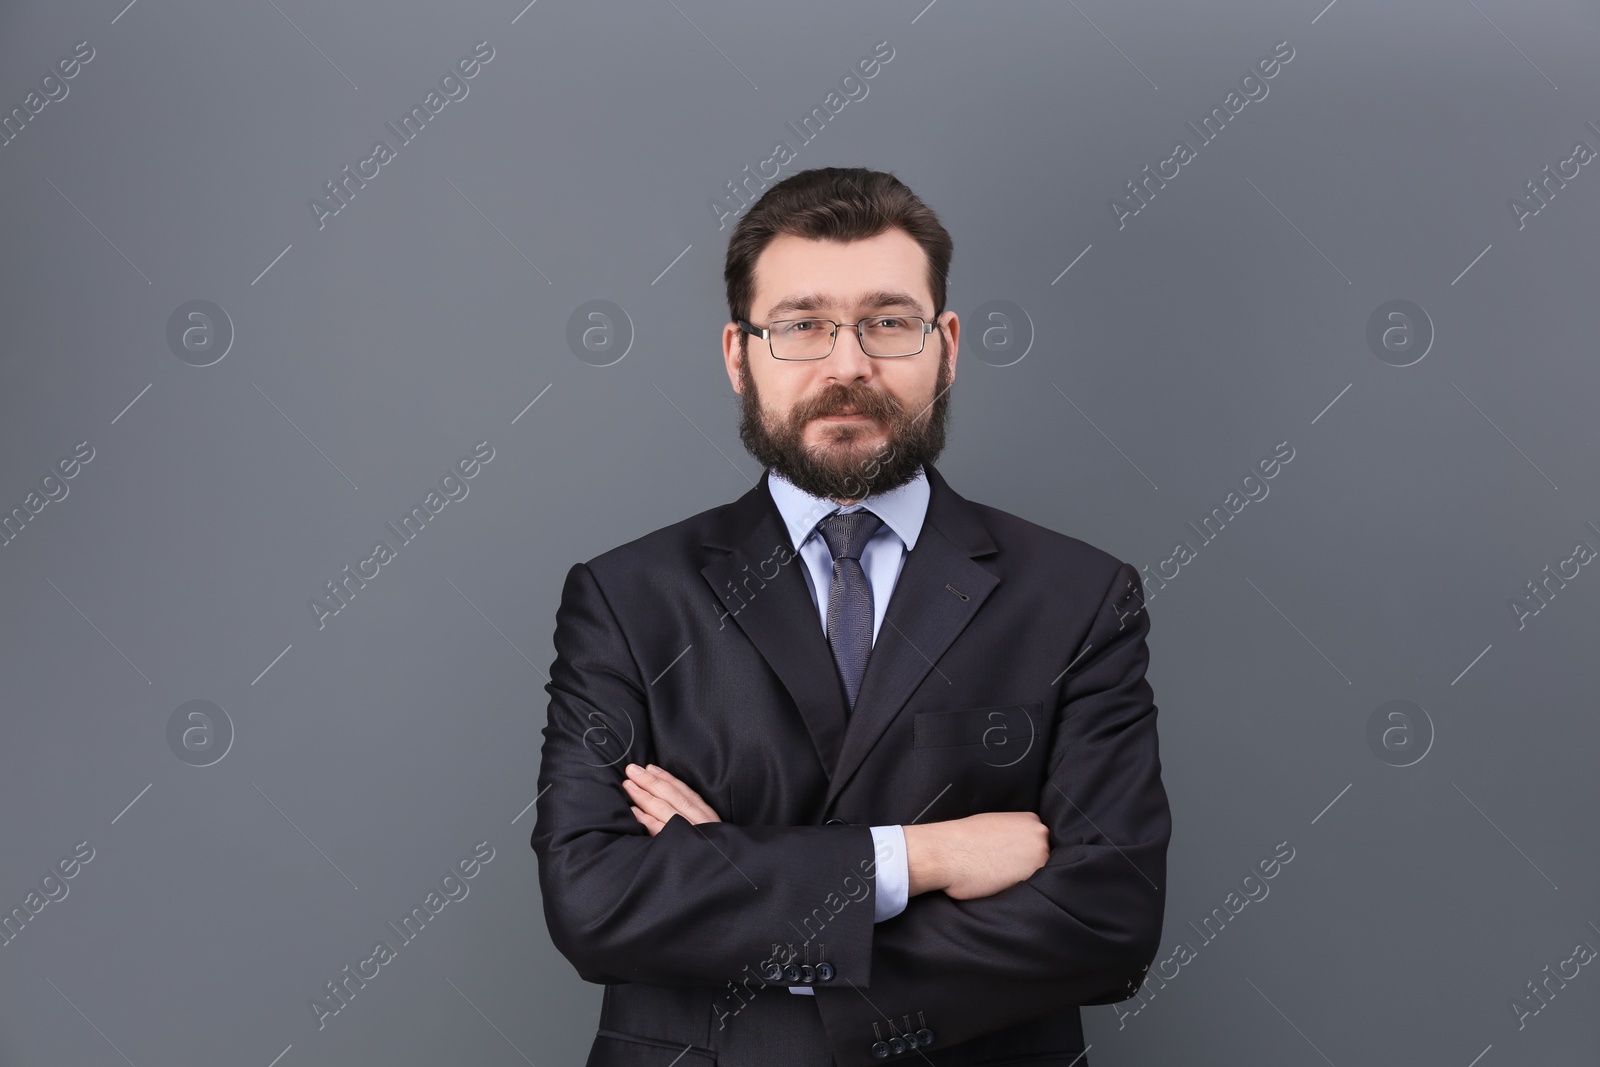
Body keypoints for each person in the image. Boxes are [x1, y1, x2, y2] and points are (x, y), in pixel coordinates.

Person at [531, 167, 1169, 1067]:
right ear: (737, 353)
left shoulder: (1079, 598)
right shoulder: (627, 597)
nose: (847, 365)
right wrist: (918, 858)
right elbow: (594, 899)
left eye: (889, 321)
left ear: (945, 344)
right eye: (801, 325)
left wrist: (733, 878)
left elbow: (1108, 917)